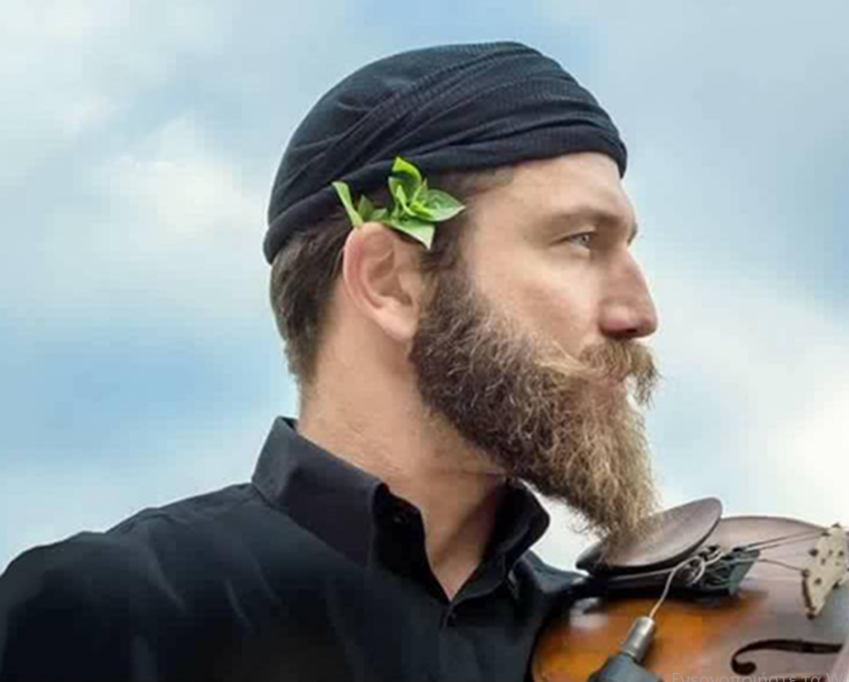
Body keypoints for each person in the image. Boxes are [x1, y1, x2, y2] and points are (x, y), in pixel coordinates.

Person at [0, 41, 660, 682]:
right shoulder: (104, 616)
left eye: (626, 246)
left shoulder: (637, 642)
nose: (639, 313)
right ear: (391, 282)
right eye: (580, 241)